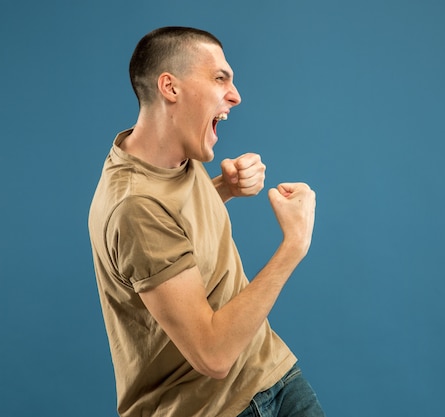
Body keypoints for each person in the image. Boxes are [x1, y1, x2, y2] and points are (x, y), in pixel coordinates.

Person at [88, 26, 324, 417]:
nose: (235, 95)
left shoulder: (173, 152)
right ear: (170, 87)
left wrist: (224, 189)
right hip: (213, 409)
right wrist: (293, 245)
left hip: (272, 374)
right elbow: (213, 356)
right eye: (220, 78)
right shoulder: (134, 206)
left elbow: (172, 228)